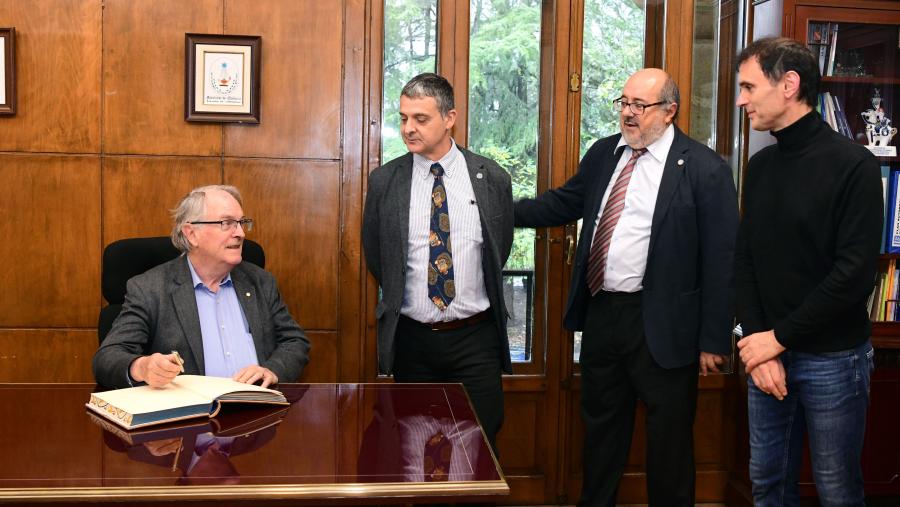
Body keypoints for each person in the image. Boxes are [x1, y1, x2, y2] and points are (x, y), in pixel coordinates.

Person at [515, 68, 738, 506]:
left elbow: (722, 259)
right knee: (601, 431)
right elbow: (565, 202)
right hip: (604, 316)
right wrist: (501, 209)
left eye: (640, 105)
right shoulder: (604, 154)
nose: (628, 114)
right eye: (624, 103)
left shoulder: (704, 169)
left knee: (670, 441)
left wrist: (714, 339)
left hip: (665, 324)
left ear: (669, 111)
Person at [734, 37, 881, 506]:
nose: (741, 100)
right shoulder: (759, 166)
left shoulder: (853, 165)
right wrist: (761, 346)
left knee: (837, 489)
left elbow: (854, 274)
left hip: (834, 360)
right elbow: (745, 261)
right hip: (767, 358)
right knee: (767, 485)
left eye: (749, 87)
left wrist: (777, 339)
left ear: (789, 85)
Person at [362, 73, 514, 449]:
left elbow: (499, 249)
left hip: (475, 341)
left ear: (450, 118)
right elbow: (378, 255)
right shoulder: (385, 181)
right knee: (415, 450)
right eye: (403, 118)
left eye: (421, 119)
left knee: (479, 449)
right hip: (413, 342)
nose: (408, 129)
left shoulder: (491, 177)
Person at [93, 185, 311, 390]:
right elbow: (108, 357)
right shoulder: (150, 288)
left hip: (256, 414)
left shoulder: (260, 282)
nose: (241, 233)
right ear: (191, 233)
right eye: (226, 223)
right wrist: (141, 366)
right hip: (188, 420)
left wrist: (272, 370)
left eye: (241, 222)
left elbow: (295, 341)